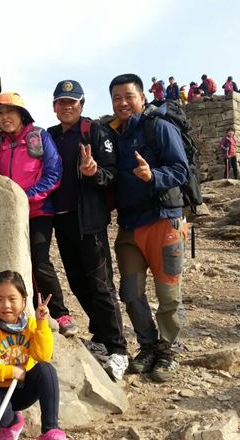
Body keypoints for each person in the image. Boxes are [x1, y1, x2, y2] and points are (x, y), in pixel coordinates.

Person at [107, 73, 189, 383]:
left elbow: (180, 169)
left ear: (142, 97)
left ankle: (168, 350)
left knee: (168, 293)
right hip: (129, 226)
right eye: (117, 98)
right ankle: (148, 345)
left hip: (162, 219)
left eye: (129, 96)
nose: (123, 103)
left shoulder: (160, 128)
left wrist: (152, 175)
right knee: (131, 293)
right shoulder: (115, 135)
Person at [48, 80, 128, 381]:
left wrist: (95, 173)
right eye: (61, 102)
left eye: (72, 102)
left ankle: (118, 349)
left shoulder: (95, 132)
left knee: (100, 284)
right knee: (77, 282)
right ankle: (100, 336)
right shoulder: (51, 136)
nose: (66, 107)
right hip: (61, 219)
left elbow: (113, 174)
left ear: (81, 105)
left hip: (90, 220)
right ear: (54, 107)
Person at [0, 92, 78, 338]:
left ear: (21, 115)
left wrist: (25, 197)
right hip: (8, 215)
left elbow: (53, 173)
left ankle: (60, 312)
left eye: (9, 112)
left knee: (39, 260)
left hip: (38, 211)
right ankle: (19, 311)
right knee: (11, 263)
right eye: (0, 114)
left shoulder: (39, 137)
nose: (5, 118)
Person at [0, 270, 67, 440]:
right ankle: (12, 423)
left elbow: (43, 356)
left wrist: (41, 323)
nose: (6, 305)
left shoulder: (30, 324)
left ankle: (50, 430)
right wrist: (11, 372)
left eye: (12, 299)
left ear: (23, 301)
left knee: (47, 370)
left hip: (22, 388)